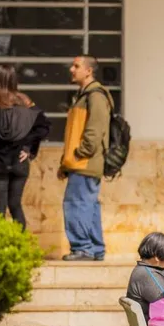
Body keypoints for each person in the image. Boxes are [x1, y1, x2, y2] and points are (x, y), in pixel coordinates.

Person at [0, 65, 51, 231]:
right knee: (15, 205)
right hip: (19, 162)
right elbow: (43, 127)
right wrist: (28, 147)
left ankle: (0, 249)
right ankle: (19, 246)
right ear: (14, 80)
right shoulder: (26, 102)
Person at [58, 55, 113, 261]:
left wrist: (80, 153)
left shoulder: (95, 96)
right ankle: (95, 248)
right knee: (88, 204)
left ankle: (83, 248)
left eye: (76, 66)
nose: (72, 69)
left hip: (85, 162)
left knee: (76, 203)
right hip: (79, 162)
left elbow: (94, 130)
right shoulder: (84, 95)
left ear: (88, 71)